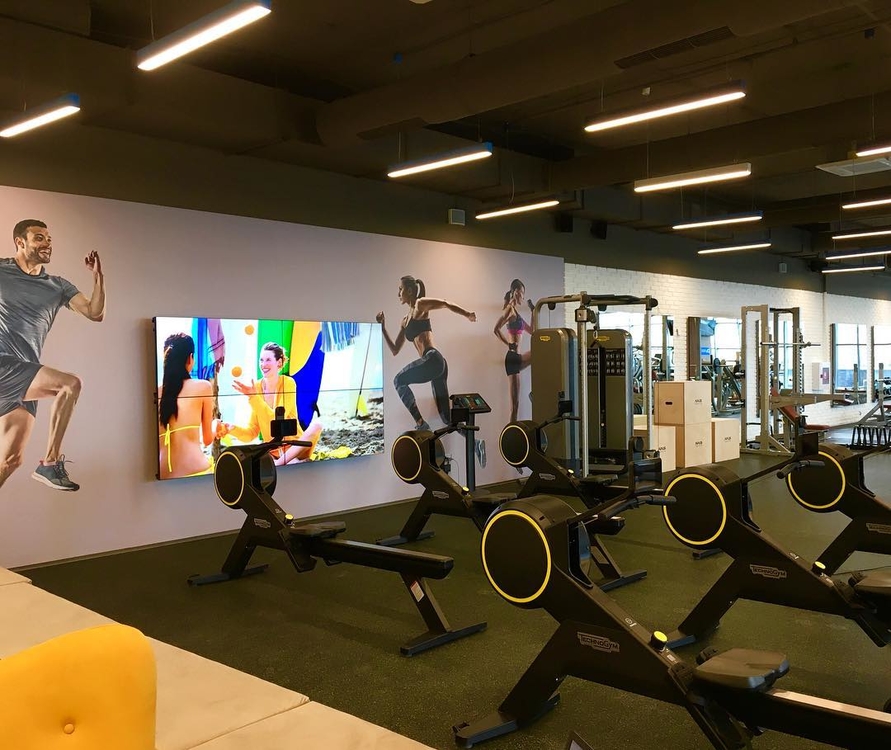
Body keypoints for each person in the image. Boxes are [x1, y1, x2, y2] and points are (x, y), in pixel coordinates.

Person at [0, 219, 105, 492]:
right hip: (3, 364)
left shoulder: (57, 286)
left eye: (49, 239)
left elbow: (95, 313)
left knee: (11, 460)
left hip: (25, 374)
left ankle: (47, 464)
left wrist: (98, 277)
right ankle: (49, 462)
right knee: (70, 384)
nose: (47, 243)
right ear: (20, 242)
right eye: (39, 238)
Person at [376, 275, 476, 431]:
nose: (398, 293)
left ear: (410, 291)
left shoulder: (420, 305)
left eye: (400, 289)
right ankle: (475, 442)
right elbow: (395, 349)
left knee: (398, 380)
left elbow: (445, 303)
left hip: (432, 358)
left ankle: (421, 423)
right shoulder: (405, 320)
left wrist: (467, 314)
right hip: (436, 364)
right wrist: (383, 328)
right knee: (447, 419)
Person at [217, 342, 323, 465]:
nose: (263, 364)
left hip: (295, 448)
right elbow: (251, 433)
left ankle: (280, 463)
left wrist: (253, 397)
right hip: (274, 452)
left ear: (279, 362)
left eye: (268, 360)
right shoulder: (256, 387)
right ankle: (287, 463)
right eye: (261, 360)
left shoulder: (288, 383)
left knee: (317, 426)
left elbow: (277, 419)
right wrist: (231, 429)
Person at [158, 333, 214, 479]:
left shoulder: (156, 392)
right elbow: (207, 439)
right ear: (190, 358)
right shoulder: (203, 387)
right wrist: (216, 425)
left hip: (162, 475)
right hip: (196, 471)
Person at [494, 279, 533, 422]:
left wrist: (533, 311)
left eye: (523, 293)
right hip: (512, 358)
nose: (522, 296)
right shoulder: (509, 310)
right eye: (521, 292)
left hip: (517, 357)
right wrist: (509, 344)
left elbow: (532, 330)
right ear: (515, 292)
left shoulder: (516, 313)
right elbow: (496, 329)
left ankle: (535, 393)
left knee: (539, 352)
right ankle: (511, 433)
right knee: (514, 406)